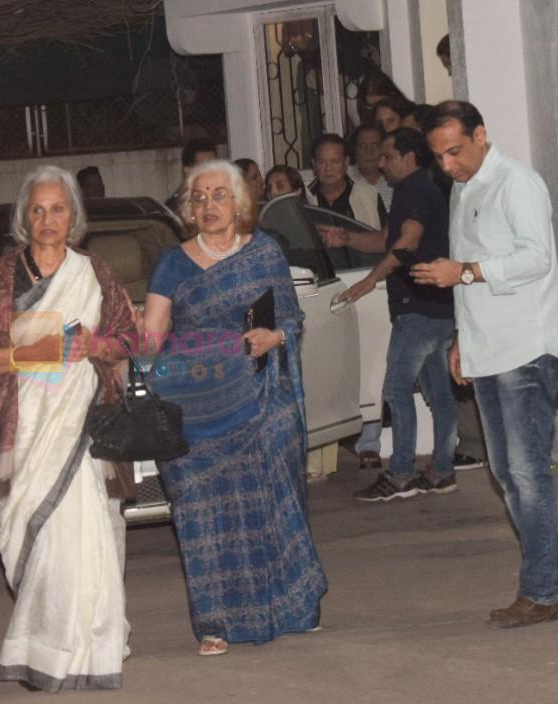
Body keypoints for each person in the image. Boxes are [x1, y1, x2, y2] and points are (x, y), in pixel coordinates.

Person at [0, 165, 136, 692]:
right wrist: (27, 354)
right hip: (23, 426)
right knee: (25, 531)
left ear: (73, 216)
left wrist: (98, 347)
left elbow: (128, 341)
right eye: (37, 210)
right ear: (23, 217)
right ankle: (44, 644)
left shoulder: (95, 273)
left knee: (90, 530)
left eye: (58, 209)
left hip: (82, 423)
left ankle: (94, 641)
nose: (48, 219)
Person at [143, 159, 327, 656]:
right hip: (197, 411)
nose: (208, 206)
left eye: (219, 195)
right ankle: (215, 623)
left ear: (239, 203)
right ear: (187, 207)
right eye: (198, 197)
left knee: (270, 503)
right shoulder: (172, 264)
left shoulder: (265, 253)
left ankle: (292, 606)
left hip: (262, 402)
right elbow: (151, 338)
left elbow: (292, 318)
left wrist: (276, 336)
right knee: (203, 515)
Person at [413, 100, 558, 627]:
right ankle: (553, 583)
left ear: (482, 134)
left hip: (527, 348)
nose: (448, 165)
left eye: (455, 151)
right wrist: (463, 339)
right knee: (507, 473)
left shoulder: (518, 183)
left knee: (526, 474)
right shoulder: (463, 189)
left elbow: (536, 258)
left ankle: (546, 590)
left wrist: (462, 272)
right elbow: (466, 277)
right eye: (439, 156)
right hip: (489, 350)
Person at [325, 128, 457, 501]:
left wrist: (368, 282)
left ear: (408, 157)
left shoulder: (415, 190)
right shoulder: (414, 191)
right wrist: (347, 239)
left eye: (387, 156)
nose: (380, 164)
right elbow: (387, 237)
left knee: (396, 389)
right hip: (436, 307)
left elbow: (406, 242)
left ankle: (400, 473)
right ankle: (442, 471)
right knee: (438, 393)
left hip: (418, 308)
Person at [307, 132, 387, 469]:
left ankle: (369, 442)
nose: (328, 168)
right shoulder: (301, 200)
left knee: (368, 365)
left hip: (364, 288)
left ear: (347, 163)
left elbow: (386, 240)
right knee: (321, 367)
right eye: (322, 161)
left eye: (335, 161)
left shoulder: (368, 195)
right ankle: (320, 445)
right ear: (313, 165)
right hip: (317, 293)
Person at [348, 122, 393, 210]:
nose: (369, 152)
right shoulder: (344, 177)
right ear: (355, 149)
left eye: (375, 146)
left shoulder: (395, 180)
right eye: (362, 146)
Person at [166, 139, 216, 214]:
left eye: (215, 167)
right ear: (188, 170)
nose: (212, 173)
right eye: (205, 168)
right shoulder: (174, 211)